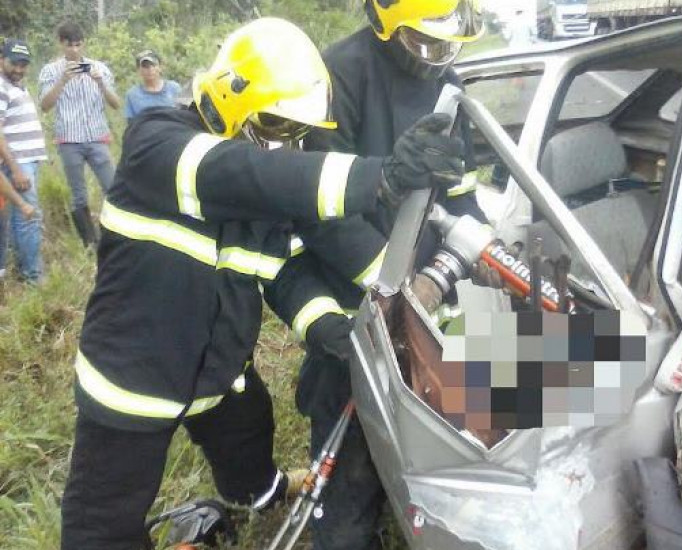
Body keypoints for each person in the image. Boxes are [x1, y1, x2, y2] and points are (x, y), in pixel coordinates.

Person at [59, 17, 466, 550]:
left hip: (219, 373)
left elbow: (285, 269)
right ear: (230, 96)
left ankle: (261, 494)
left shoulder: (255, 189)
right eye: (275, 128)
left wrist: (330, 329)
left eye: (296, 136)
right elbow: (242, 174)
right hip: (135, 386)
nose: (284, 148)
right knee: (101, 523)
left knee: (249, 439)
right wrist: (379, 178)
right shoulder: (157, 143)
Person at [287, 2, 489, 548]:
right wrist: (393, 290)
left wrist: (442, 275)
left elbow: (465, 200)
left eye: (449, 45)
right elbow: (319, 212)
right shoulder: (338, 77)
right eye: (425, 44)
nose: (438, 59)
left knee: (433, 437)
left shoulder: (451, 88)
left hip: (428, 307)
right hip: (357, 305)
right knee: (349, 469)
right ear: (384, 23)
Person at [38, 21, 120, 248]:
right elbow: (45, 105)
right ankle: (89, 242)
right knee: (78, 194)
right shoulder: (50, 70)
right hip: (69, 140)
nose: (74, 50)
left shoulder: (99, 68)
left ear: (83, 43)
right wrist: (62, 80)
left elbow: (115, 104)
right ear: (61, 45)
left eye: (78, 45)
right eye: (69, 45)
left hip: (97, 137)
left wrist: (100, 82)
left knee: (112, 187)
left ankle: (113, 235)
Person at [0, 39, 46, 283]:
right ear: (1, 60)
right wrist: (16, 169)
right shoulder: (1, 87)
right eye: (14, 63)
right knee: (29, 219)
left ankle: (24, 271)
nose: (19, 68)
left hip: (27, 162)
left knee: (21, 218)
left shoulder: (17, 85)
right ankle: (33, 276)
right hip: (18, 164)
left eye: (23, 64)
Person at [124, 49, 182, 121]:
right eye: (145, 66)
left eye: (153, 65)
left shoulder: (174, 88)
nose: (150, 69)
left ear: (160, 67)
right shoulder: (132, 95)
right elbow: (131, 125)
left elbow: (183, 116)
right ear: (139, 70)